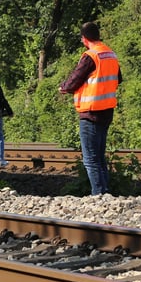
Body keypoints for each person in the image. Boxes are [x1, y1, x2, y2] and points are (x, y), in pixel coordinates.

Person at [59, 22, 121, 196]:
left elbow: (74, 81)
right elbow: (118, 78)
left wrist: (63, 87)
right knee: (99, 157)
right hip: (107, 110)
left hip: (90, 111)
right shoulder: (110, 54)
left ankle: (98, 195)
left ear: (84, 39)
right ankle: (105, 193)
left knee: (90, 159)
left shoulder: (90, 56)